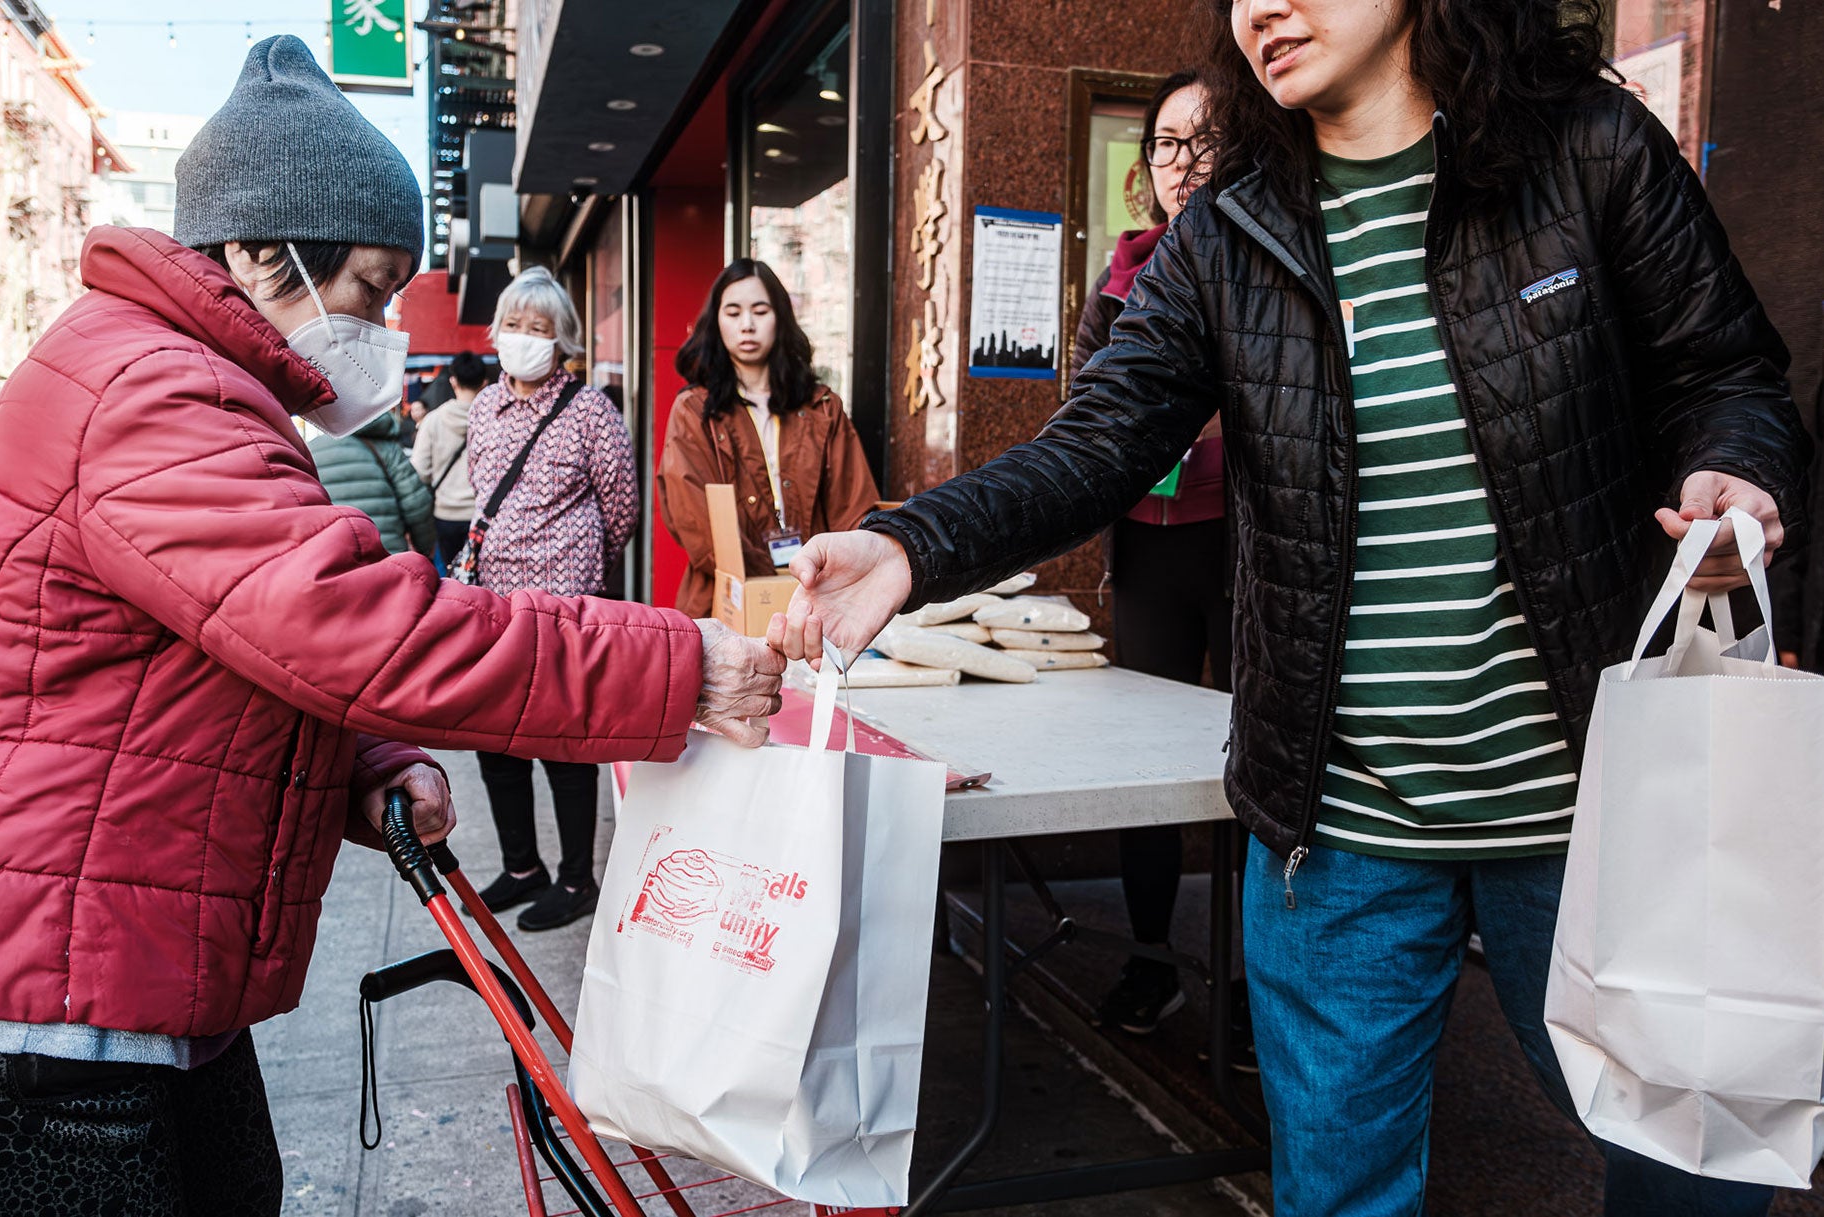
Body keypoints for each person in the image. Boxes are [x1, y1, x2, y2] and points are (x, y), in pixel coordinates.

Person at [769, 1, 1810, 1213]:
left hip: (1595, 814)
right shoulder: (1228, 226)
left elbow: (1722, 370)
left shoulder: (1587, 149)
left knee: (1684, 1167)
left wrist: (1733, 466)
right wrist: (908, 545)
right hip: (1338, 829)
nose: (1262, 6)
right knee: (1337, 1195)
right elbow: (1098, 440)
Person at [0, 37, 782, 1217]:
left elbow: (207, 657)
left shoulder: (173, 375)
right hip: (35, 979)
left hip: (107, 942)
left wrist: (364, 764)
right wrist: (674, 666)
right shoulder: (153, 390)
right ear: (253, 251)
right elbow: (351, 621)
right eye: (365, 289)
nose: (381, 325)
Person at [1069, 70, 1227, 1038]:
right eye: (1165, 144)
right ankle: (1151, 959)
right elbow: (1087, 414)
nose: (1181, 163)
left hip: (1248, 548)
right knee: (1146, 766)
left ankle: (1256, 989)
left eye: (1202, 142)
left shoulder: (1276, 259)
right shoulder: (1121, 275)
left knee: (1256, 770)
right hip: (1148, 547)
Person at [465, 266, 641, 931]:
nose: (524, 338)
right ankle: (521, 866)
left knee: (565, 745)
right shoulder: (485, 406)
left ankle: (576, 877)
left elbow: (619, 506)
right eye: (513, 325)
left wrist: (578, 561)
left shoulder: (590, 408)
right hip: (491, 606)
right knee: (494, 742)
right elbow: (485, 489)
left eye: (539, 328)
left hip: (565, 611)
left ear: (562, 338)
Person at [656, 259, 879, 619]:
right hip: (727, 601)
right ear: (717, 322)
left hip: (817, 601)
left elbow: (853, 510)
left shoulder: (823, 407)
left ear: (780, 318)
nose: (747, 325)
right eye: (733, 312)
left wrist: (815, 579)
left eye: (760, 311)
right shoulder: (694, 410)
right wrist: (768, 586)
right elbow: (697, 522)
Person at [307, 404, 436, 557]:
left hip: (332, 561)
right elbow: (417, 505)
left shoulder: (310, 452)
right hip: (388, 559)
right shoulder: (387, 449)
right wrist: (425, 550)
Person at [411, 349, 485, 571]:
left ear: (453, 381)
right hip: (483, 517)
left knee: (452, 581)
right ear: (484, 383)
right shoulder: (494, 421)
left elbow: (420, 472)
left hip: (445, 516)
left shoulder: (433, 421)